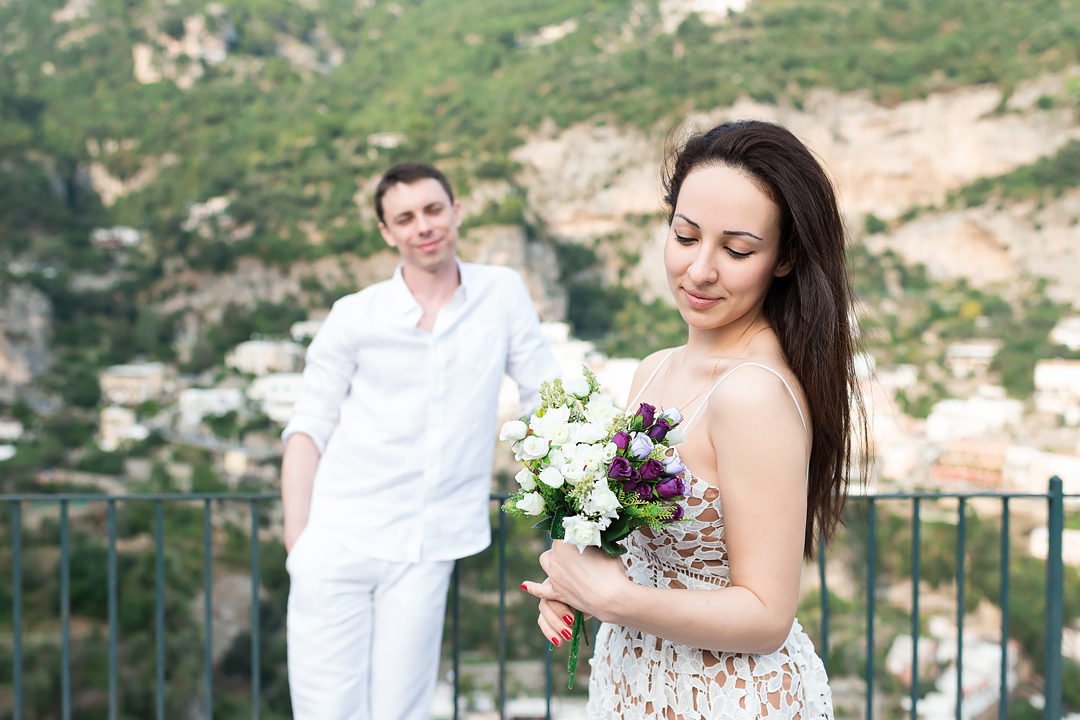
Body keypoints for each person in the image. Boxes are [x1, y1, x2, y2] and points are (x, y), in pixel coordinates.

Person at [522, 120, 868, 718]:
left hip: (728, 698)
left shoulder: (752, 394)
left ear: (783, 258)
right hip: (634, 684)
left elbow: (766, 616)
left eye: (736, 250)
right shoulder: (652, 372)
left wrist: (615, 599)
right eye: (685, 236)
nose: (701, 270)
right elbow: (638, 543)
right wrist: (576, 577)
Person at [282, 161, 560, 720]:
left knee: (401, 712)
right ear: (388, 233)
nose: (423, 226)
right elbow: (307, 428)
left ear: (456, 212)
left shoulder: (501, 293)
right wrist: (299, 547)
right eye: (405, 218)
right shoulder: (354, 316)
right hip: (339, 540)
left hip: (428, 547)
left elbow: (545, 398)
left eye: (433, 210)